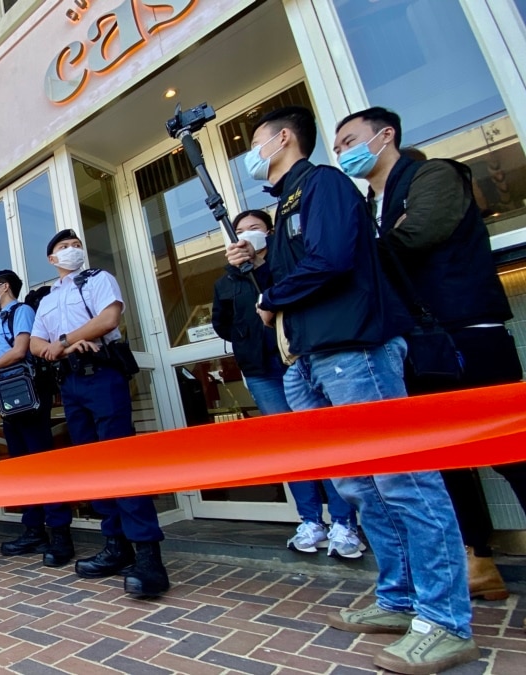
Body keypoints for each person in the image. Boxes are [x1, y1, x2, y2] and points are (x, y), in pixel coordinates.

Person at [231, 105, 476, 674]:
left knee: (405, 479)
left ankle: (445, 621)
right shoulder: (287, 201)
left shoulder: (324, 184)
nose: (252, 154)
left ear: (283, 140)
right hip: (312, 359)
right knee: (361, 484)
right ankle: (399, 598)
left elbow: (334, 260)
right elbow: (294, 284)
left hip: (355, 351)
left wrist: (274, 294)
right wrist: (260, 271)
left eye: (256, 141)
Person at [335, 106, 523, 603]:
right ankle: (477, 559)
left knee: (510, 451)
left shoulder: (434, 175)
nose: (342, 153)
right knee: (445, 460)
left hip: (467, 332)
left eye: (349, 140)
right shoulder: (370, 203)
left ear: (385, 135)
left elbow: (420, 234)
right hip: (419, 345)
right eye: (336, 149)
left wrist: (350, 256)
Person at [211, 211, 360, 558]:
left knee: (323, 441)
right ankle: (310, 520)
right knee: (290, 447)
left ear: (270, 233)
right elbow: (223, 323)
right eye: (240, 231)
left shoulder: (286, 262)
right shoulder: (227, 280)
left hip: (299, 362)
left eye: (255, 229)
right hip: (261, 371)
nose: (247, 235)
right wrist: (246, 336)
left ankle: (344, 522)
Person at [30, 229, 169, 600]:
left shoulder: (97, 279)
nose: (72, 250)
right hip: (71, 384)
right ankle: (116, 544)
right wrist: (66, 345)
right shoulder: (47, 299)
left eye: (77, 244)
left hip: (102, 375)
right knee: (93, 466)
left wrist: (62, 341)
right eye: (63, 246)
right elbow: (34, 343)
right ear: (51, 258)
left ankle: (148, 555)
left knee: (122, 462)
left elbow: (108, 319)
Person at [0, 270, 74, 567]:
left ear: (5, 286)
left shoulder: (20, 311)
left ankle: (60, 533)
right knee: (23, 467)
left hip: (30, 394)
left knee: (42, 464)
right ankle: (34, 529)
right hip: (11, 397)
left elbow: (21, 350)